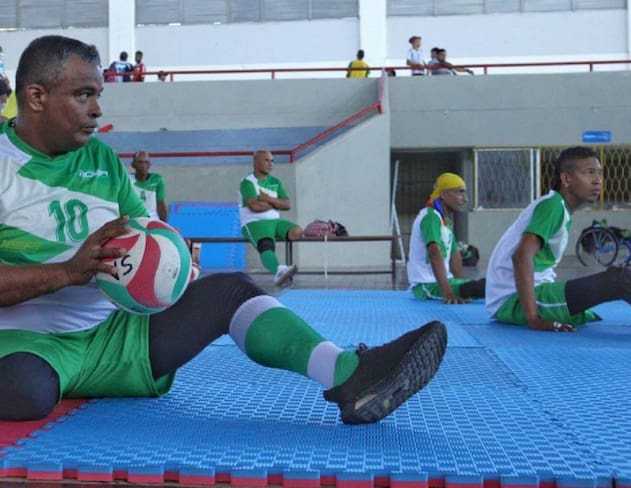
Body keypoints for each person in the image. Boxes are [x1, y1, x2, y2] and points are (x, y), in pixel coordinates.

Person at [0, 35, 447, 424]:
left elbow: (146, 229)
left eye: (98, 95)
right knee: (27, 393)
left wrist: (173, 258)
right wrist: (67, 272)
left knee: (229, 291)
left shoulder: (100, 159)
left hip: (118, 337)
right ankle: (58, 380)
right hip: (29, 343)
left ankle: (348, 373)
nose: (98, 109)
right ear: (36, 97)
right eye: (83, 95)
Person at [486, 146, 631, 332]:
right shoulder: (553, 206)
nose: (597, 180)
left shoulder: (559, 206)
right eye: (589, 173)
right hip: (513, 302)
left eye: (599, 173)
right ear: (566, 179)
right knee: (619, 280)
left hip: (525, 295)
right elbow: (521, 256)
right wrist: (533, 318)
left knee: (603, 295)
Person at [407, 173, 486, 303]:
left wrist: (461, 284)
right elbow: (434, 253)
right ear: (443, 194)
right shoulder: (431, 217)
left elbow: (455, 255)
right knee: (483, 288)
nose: (465, 199)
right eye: (460, 192)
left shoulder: (446, 221)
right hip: (427, 285)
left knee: (490, 285)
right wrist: (449, 293)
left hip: (445, 282)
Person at [239, 150, 303, 286]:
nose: (270, 164)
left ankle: (282, 271)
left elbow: (287, 205)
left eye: (272, 161)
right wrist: (276, 204)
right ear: (256, 162)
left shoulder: (276, 182)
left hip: (275, 222)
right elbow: (255, 206)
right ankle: (278, 272)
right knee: (266, 245)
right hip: (255, 222)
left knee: (296, 231)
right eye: (266, 160)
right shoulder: (247, 182)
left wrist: (268, 199)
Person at [130, 150, 168, 222]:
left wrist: (165, 225)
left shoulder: (157, 180)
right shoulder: (127, 180)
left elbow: (161, 205)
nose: (143, 165)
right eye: (140, 162)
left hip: (152, 219)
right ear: (133, 165)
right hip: (134, 218)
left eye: (146, 162)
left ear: (149, 164)